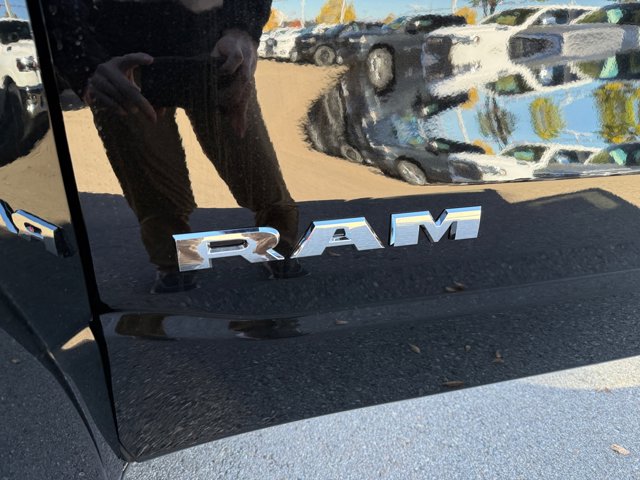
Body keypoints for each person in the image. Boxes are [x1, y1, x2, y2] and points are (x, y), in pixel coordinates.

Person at [45, 0, 304, 293]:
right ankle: (174, 263)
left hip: (211, 52)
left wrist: (242, 28)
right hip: (122, 62)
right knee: (150, 185)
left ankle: (280, 247)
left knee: (256, 169)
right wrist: (86, 67)